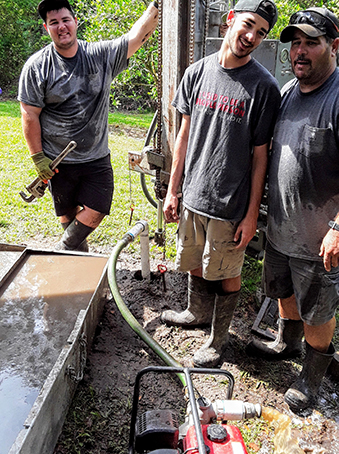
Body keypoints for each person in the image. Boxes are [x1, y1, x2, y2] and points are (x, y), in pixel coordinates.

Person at [161, 0, 281, 368]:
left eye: (261, 32)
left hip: (230, 203)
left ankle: (218, 340)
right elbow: (182, 137)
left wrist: (251, 215)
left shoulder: (264, 87)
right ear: (230, 20)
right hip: (193, 194)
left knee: (227, 271)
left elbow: (261, 157)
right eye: (248, 25)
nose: (251, 36)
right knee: (195, 259)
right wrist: (173, 189)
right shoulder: (196, 73)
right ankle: (196, 313)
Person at [246, 7, 339, 412]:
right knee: (282, 292)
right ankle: (286, 343)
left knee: (318, 310)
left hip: (320, 240)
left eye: (311, 43)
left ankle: (313, 377)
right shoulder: (286, 93)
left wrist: (338, 227)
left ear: (334, 46)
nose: (299, 51)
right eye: (295, 43)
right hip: (281, 228)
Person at [18, 0, 158, 251]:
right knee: (69, 220)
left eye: (65, 20)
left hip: (96, 158)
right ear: (46, 28)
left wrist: (157, 6)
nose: (61, 27)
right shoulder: (37, 66)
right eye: (54, 23)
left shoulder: (99, 55)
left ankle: (61, 252)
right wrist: (38, 158)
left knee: (97, 210)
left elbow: (137, 36)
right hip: (58, 163)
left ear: (75, 22)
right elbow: (29, 113)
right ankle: (76, 272)